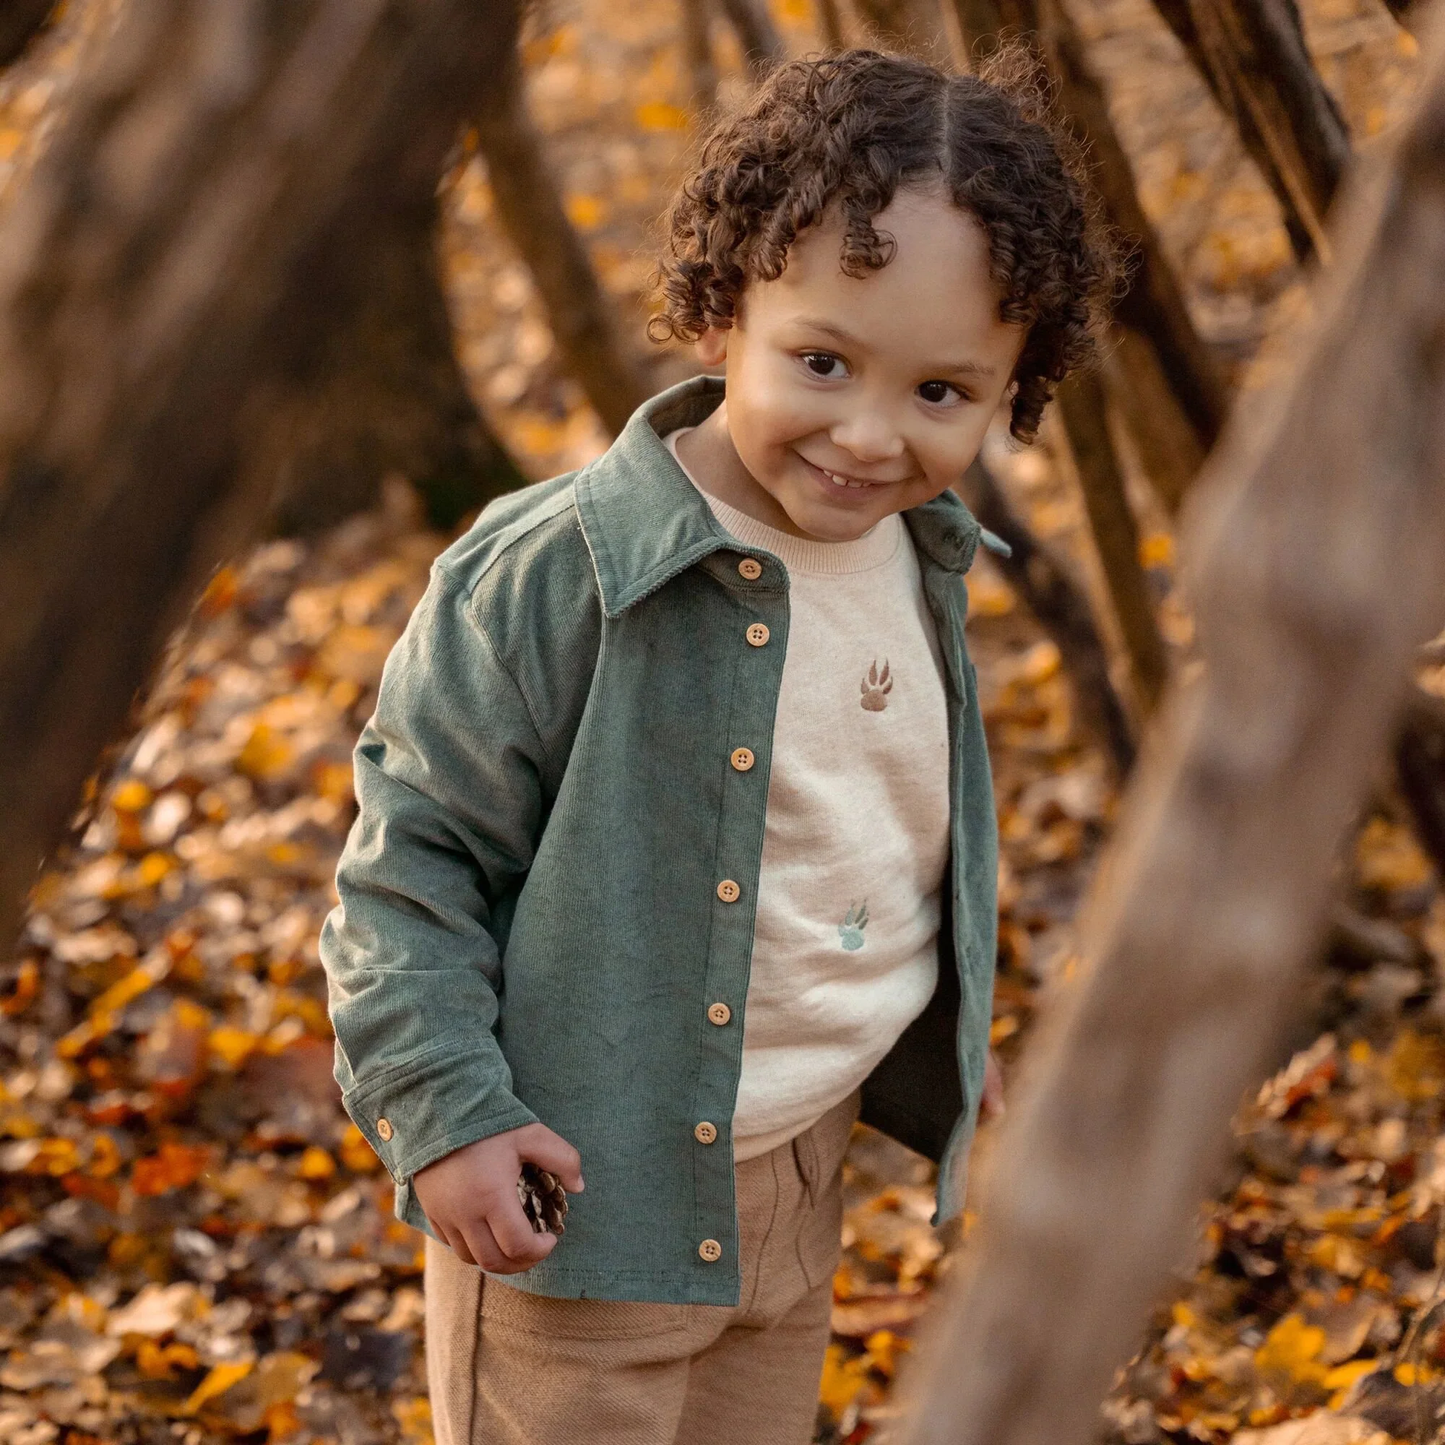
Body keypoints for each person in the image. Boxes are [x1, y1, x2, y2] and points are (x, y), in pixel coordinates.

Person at [318, 46, 1117, 1445]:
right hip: (578, 1203)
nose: (870, 437)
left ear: (1014, 387)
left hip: (801, 1184)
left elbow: (875, 825)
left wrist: (944, 1014)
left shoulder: (920, 554)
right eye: (822, 361)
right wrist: (443, 1110)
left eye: (943, 392)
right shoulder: (557, 570)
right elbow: (408, 866)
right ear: (715, 312)